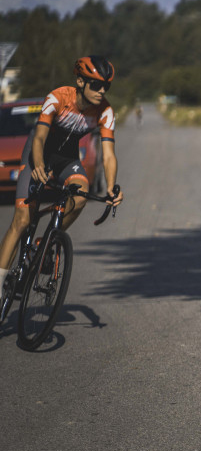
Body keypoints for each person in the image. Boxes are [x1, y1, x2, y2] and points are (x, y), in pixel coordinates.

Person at [0, 56, 124, 293]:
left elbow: (108, 155)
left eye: (106, 86)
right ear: (80, 81)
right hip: (38, 154)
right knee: (22, 221)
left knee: (81, 196)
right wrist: (37, 165)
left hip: (67, 160)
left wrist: (111, 187)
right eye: (96, 84)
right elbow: (38, 137)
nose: (101, 91)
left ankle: (44, 243)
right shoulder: (58, 98)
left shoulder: (105, 111)